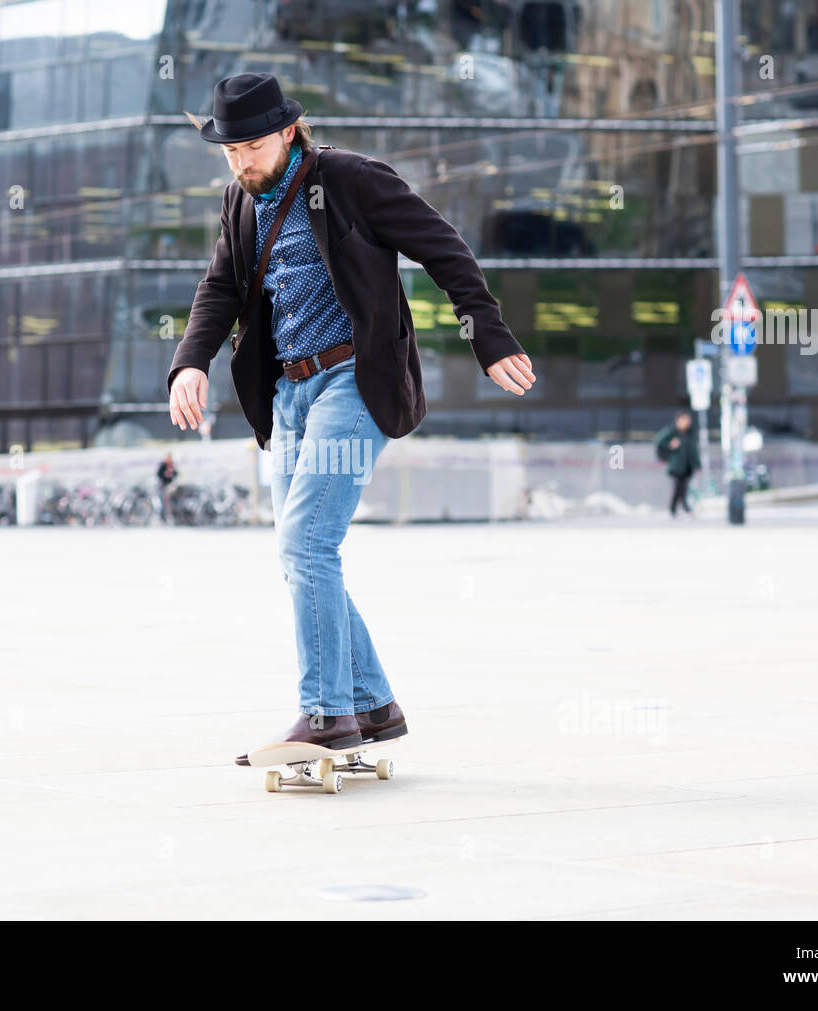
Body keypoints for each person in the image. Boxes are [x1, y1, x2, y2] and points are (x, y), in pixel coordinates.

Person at [166, 73, 536, 763]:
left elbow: (443, 246)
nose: (241, 161)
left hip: (351, 382)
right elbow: (219, 287)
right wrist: (192, 361)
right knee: (305, 555)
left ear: (286, 131)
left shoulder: (350, 180)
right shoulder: (239, 204)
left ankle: (326, 713)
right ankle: (372, 701)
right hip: (290, 396)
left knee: (306, 544)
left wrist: (486, 333)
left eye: (250, 146)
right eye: (229, 151)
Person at [654, 410, 701, 517]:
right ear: (678, 420)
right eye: (684, 420)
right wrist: (670, 445)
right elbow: (659, 441)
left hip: (687, 466)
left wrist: (697, 464)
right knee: (679, 488)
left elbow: (693, 451)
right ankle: (683, 508)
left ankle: (674, 509)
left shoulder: (690, 433)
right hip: (676, 466)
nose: (687, 423)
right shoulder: (672, 432)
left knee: (682, 488)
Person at [156, 453, 178, 525]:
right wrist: (165, 474)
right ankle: (163, 518)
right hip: (163, 485)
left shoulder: (171, 465)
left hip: (169, 485)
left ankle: (171, 516)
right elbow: (159, 474)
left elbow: (176, 473)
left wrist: (172, 474)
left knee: (170, 502)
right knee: (163, 502)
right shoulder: (163, 465)